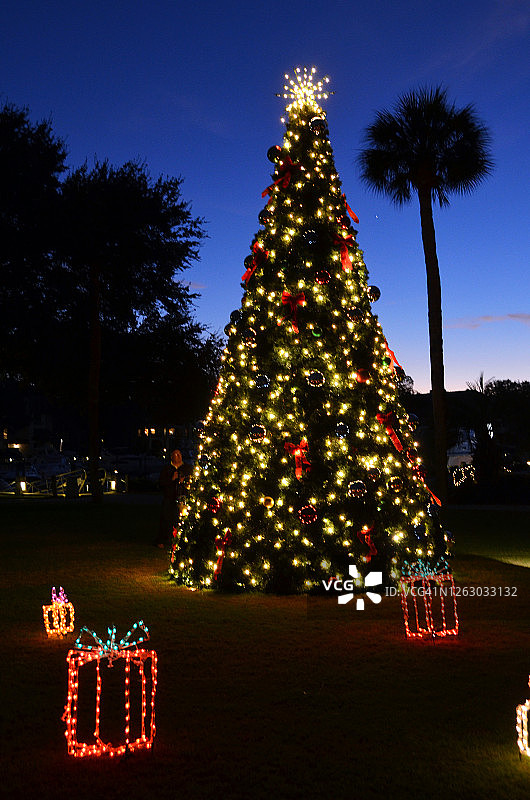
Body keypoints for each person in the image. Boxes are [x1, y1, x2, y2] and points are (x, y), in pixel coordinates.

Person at [155, 449, 185, 549]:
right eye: (175, 454)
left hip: (182, 498)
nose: (177, 456)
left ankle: (180, 541)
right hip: (169, 497)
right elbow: (161, 483)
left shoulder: (186, 468)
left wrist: (183, 481)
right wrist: (172, 479)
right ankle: (162, 540)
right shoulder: (167, 468)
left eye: (179, 454)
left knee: (180, 519)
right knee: (166, 518)